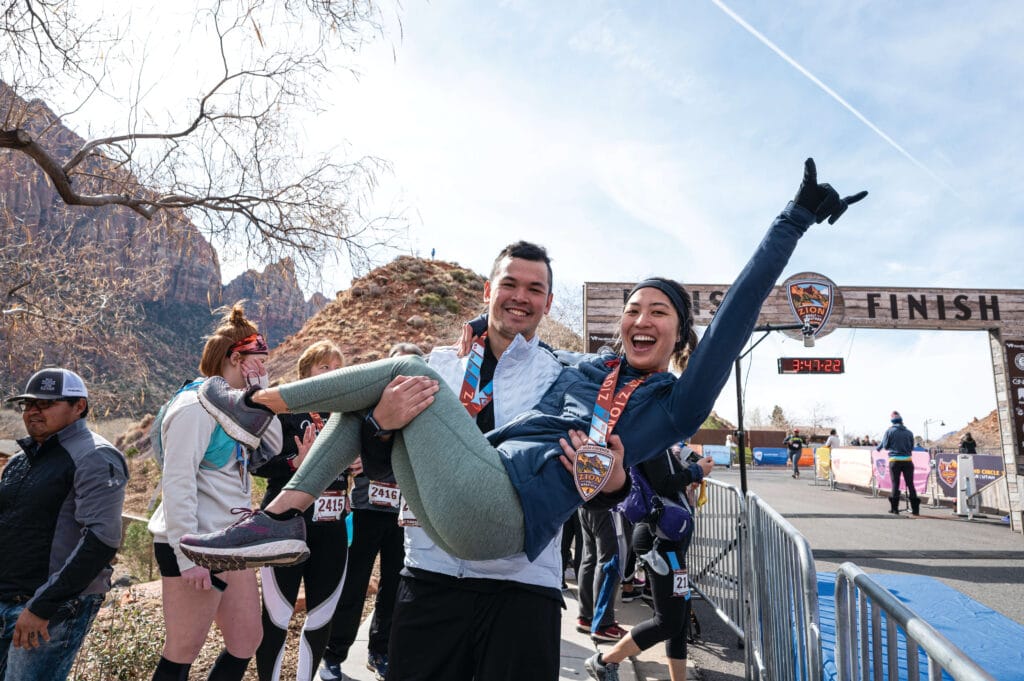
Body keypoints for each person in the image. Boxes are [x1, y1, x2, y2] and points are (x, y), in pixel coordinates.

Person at [179, 157, 866, 569]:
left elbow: (738, 314)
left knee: (403, 364)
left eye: (660, 312)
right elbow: (485, 368)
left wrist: (791, 222)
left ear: (681, 335)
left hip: (505, 518)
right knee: (397, 382)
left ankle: (259, 406)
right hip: (444, 520)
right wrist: (395, 416)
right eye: (634, 308)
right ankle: (284, 512)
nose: (641, 318)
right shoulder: (577, 370)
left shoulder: (673, 405)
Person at [341, 244, 610, 681]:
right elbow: (383, 469)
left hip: (523, 587)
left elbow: (593, 494)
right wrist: (380, 426)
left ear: (548, 302)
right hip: (431, 575)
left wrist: (609, 480)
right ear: (488, 290)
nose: (520, 296)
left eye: (534, 288)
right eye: (509, 284)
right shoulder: (438, 367)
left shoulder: (565, 380)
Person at [147, 305, 283, 681]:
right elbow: (178, 482)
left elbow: (272, 445)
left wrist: (261, 396)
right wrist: (186, 556)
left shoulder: (239, 408)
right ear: (235, 359)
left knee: (246, 639)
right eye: (258, 362)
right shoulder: (193, 407)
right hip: (195, 542)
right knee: (183, 649)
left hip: (230, 540)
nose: (263, 369)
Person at [0, 368, 128, 681]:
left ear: (79, 406)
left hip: (47, 611)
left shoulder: (96, 457)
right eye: (28, 405)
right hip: (9, 600)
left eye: (45, 404)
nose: (33, 412)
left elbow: (101, 540)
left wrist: (42, 606)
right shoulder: (22, 459)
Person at [318, 342, 422, 681]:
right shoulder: (368, 406)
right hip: (365, 509)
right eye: (398, 368)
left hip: (403, 514)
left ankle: (380, 653)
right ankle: (333, 654)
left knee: (394, 586)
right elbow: (342, 445)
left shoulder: (426, 409)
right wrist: (351, 461)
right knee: (354, 584)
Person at [253, 340, 351, 681]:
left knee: (322, 614)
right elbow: (257, 464)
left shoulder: (348, 416)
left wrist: (362, 462)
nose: (332, 373)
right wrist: (294, 461)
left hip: (333, 529)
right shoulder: (285, 409)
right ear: (306, 372)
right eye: (324, 367)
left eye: (337, 367)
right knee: (277, 616)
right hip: (286, 526)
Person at [585, 443, 714, 681]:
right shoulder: (654, 440)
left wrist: (690, 477)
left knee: (679, 616)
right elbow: (662, 484)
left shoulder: (662, 441)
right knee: (668, 621)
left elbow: (668, 482)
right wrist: (696, 472)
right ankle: (605, 661)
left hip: (669, 539)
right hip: (660, 539)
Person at [876, 411, 918, 516]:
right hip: (908, 461)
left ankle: (895, 509)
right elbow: (911, 447)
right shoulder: (909, 432)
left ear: (892, 422)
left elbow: (885, 446)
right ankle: (916, 510)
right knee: (910, 484)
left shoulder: (889, 431)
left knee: (895, 484)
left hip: (894, 461)